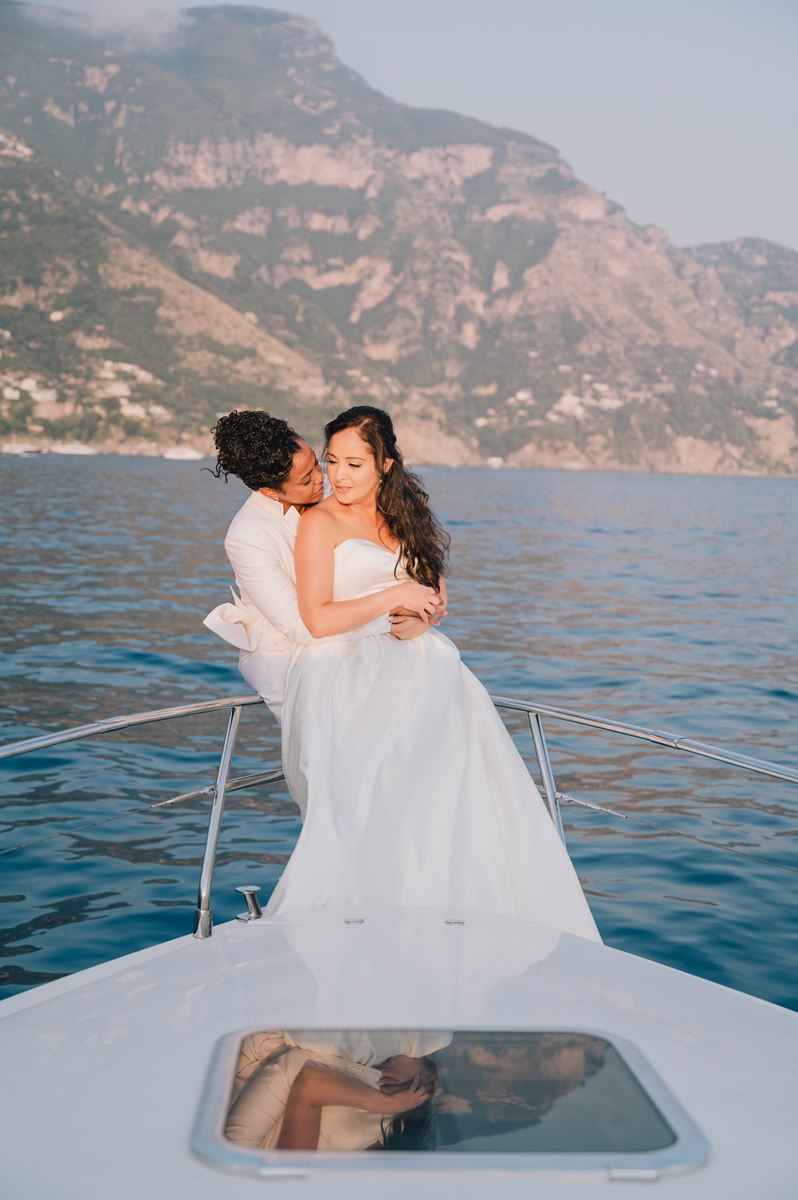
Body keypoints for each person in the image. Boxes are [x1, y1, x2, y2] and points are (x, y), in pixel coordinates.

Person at [265, 406, 601, 942]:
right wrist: (393, 597)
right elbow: (317, 619)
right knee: (371, 803)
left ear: (386, 465)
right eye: (333, 461)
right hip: (345, 672)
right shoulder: (319, 522)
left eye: (355, 463)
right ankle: (357, 931)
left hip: (420, 665)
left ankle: (434, 924)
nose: (341, 475)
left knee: (440, 799)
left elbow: (434, 593)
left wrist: (426, 616)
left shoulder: (407, 514)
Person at [204, 410, 440, 722]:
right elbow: (304, 627)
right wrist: (397, 605)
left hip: (363, 633)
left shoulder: (337, 489)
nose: (323, 479)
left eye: (317, 462)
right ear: (270, 490)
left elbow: (414, 559)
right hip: (286, 652)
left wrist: (422, 617)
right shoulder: (247, 536)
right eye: (306, 479)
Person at [225, 1043, 437, 1151]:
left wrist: (388, 1103)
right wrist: (421, 1076)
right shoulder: (396, 1133)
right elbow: (426, 1073)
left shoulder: (295, 1176)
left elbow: (310, 1081)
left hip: (240, 1148)